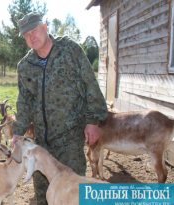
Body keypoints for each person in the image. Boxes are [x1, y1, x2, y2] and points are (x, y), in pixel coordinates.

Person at [12, 12, 108, 204]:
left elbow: (90, 84)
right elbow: (24, 101)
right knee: (43, 194)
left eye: (35, 31)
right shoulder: (25, 66)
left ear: (45, 27)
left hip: (70, 140)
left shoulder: (70, 51)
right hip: (42, 143)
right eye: (27, 35)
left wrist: (93, 121)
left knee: (73, 194)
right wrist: (17, 131)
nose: (32, 37)